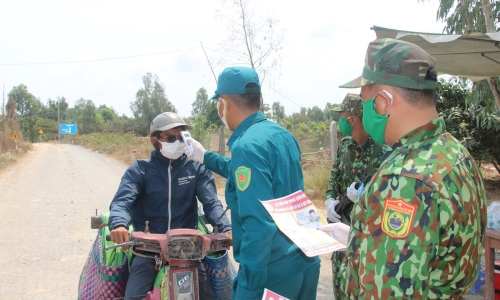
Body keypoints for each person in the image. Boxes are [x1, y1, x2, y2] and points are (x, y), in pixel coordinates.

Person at [319, 38, 487, 298]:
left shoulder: (403, 180)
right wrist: (359, 239)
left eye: (365, 103)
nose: (364, 113)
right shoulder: (455, 152)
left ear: (383, 102)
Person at [184, 66, 321, 299]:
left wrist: (248, 287)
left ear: (223, 104)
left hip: (272, 274)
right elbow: (254, 176)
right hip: (306, 261)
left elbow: (258, 226)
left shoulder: (247, 147)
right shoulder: (281, 134)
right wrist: (205, 156)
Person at [108, 112, 231, 299]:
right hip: (148, 250)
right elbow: (122, 201)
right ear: (155, 140)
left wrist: (226, 228)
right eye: (170, 138)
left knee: (211, 295)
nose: (177, 142)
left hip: (188, 250)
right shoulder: (139, 170)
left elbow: (212, 202)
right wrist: (118, 224)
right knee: (134, 296)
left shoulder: (196, 168)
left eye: (181, 137)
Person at [325, 93, 387, 300]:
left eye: (343, 117)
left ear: (353, 119)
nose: (341, 122)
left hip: (367, 237)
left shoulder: (383, 150)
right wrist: (330, 201)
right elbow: (335, 178)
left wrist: (363, 195)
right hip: (341, 234)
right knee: (341, 287)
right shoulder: (344, 146)